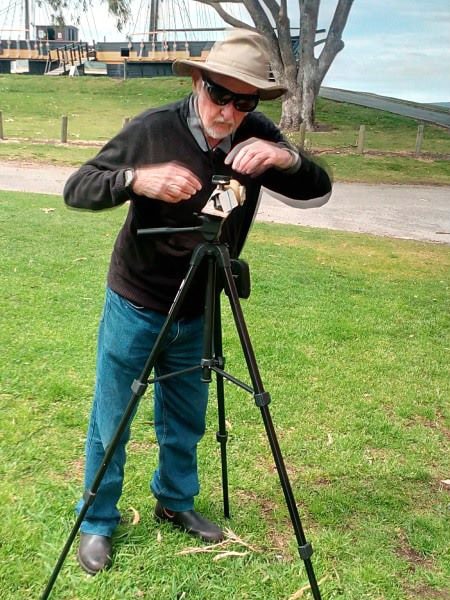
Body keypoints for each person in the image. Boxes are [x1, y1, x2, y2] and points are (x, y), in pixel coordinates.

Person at [64, 28, 332, 575]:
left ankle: (175, 501)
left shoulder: (256, 134)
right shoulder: (152, 128)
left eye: (244, 101)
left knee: (186, 417)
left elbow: (320, 189)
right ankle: (96, 522)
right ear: (198, 83)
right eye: (219, 95)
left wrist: (284, 158)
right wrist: (136, 179)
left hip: (200, 304)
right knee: (113, 416)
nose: (229, 112)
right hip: (137, 299)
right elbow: (78, 186)